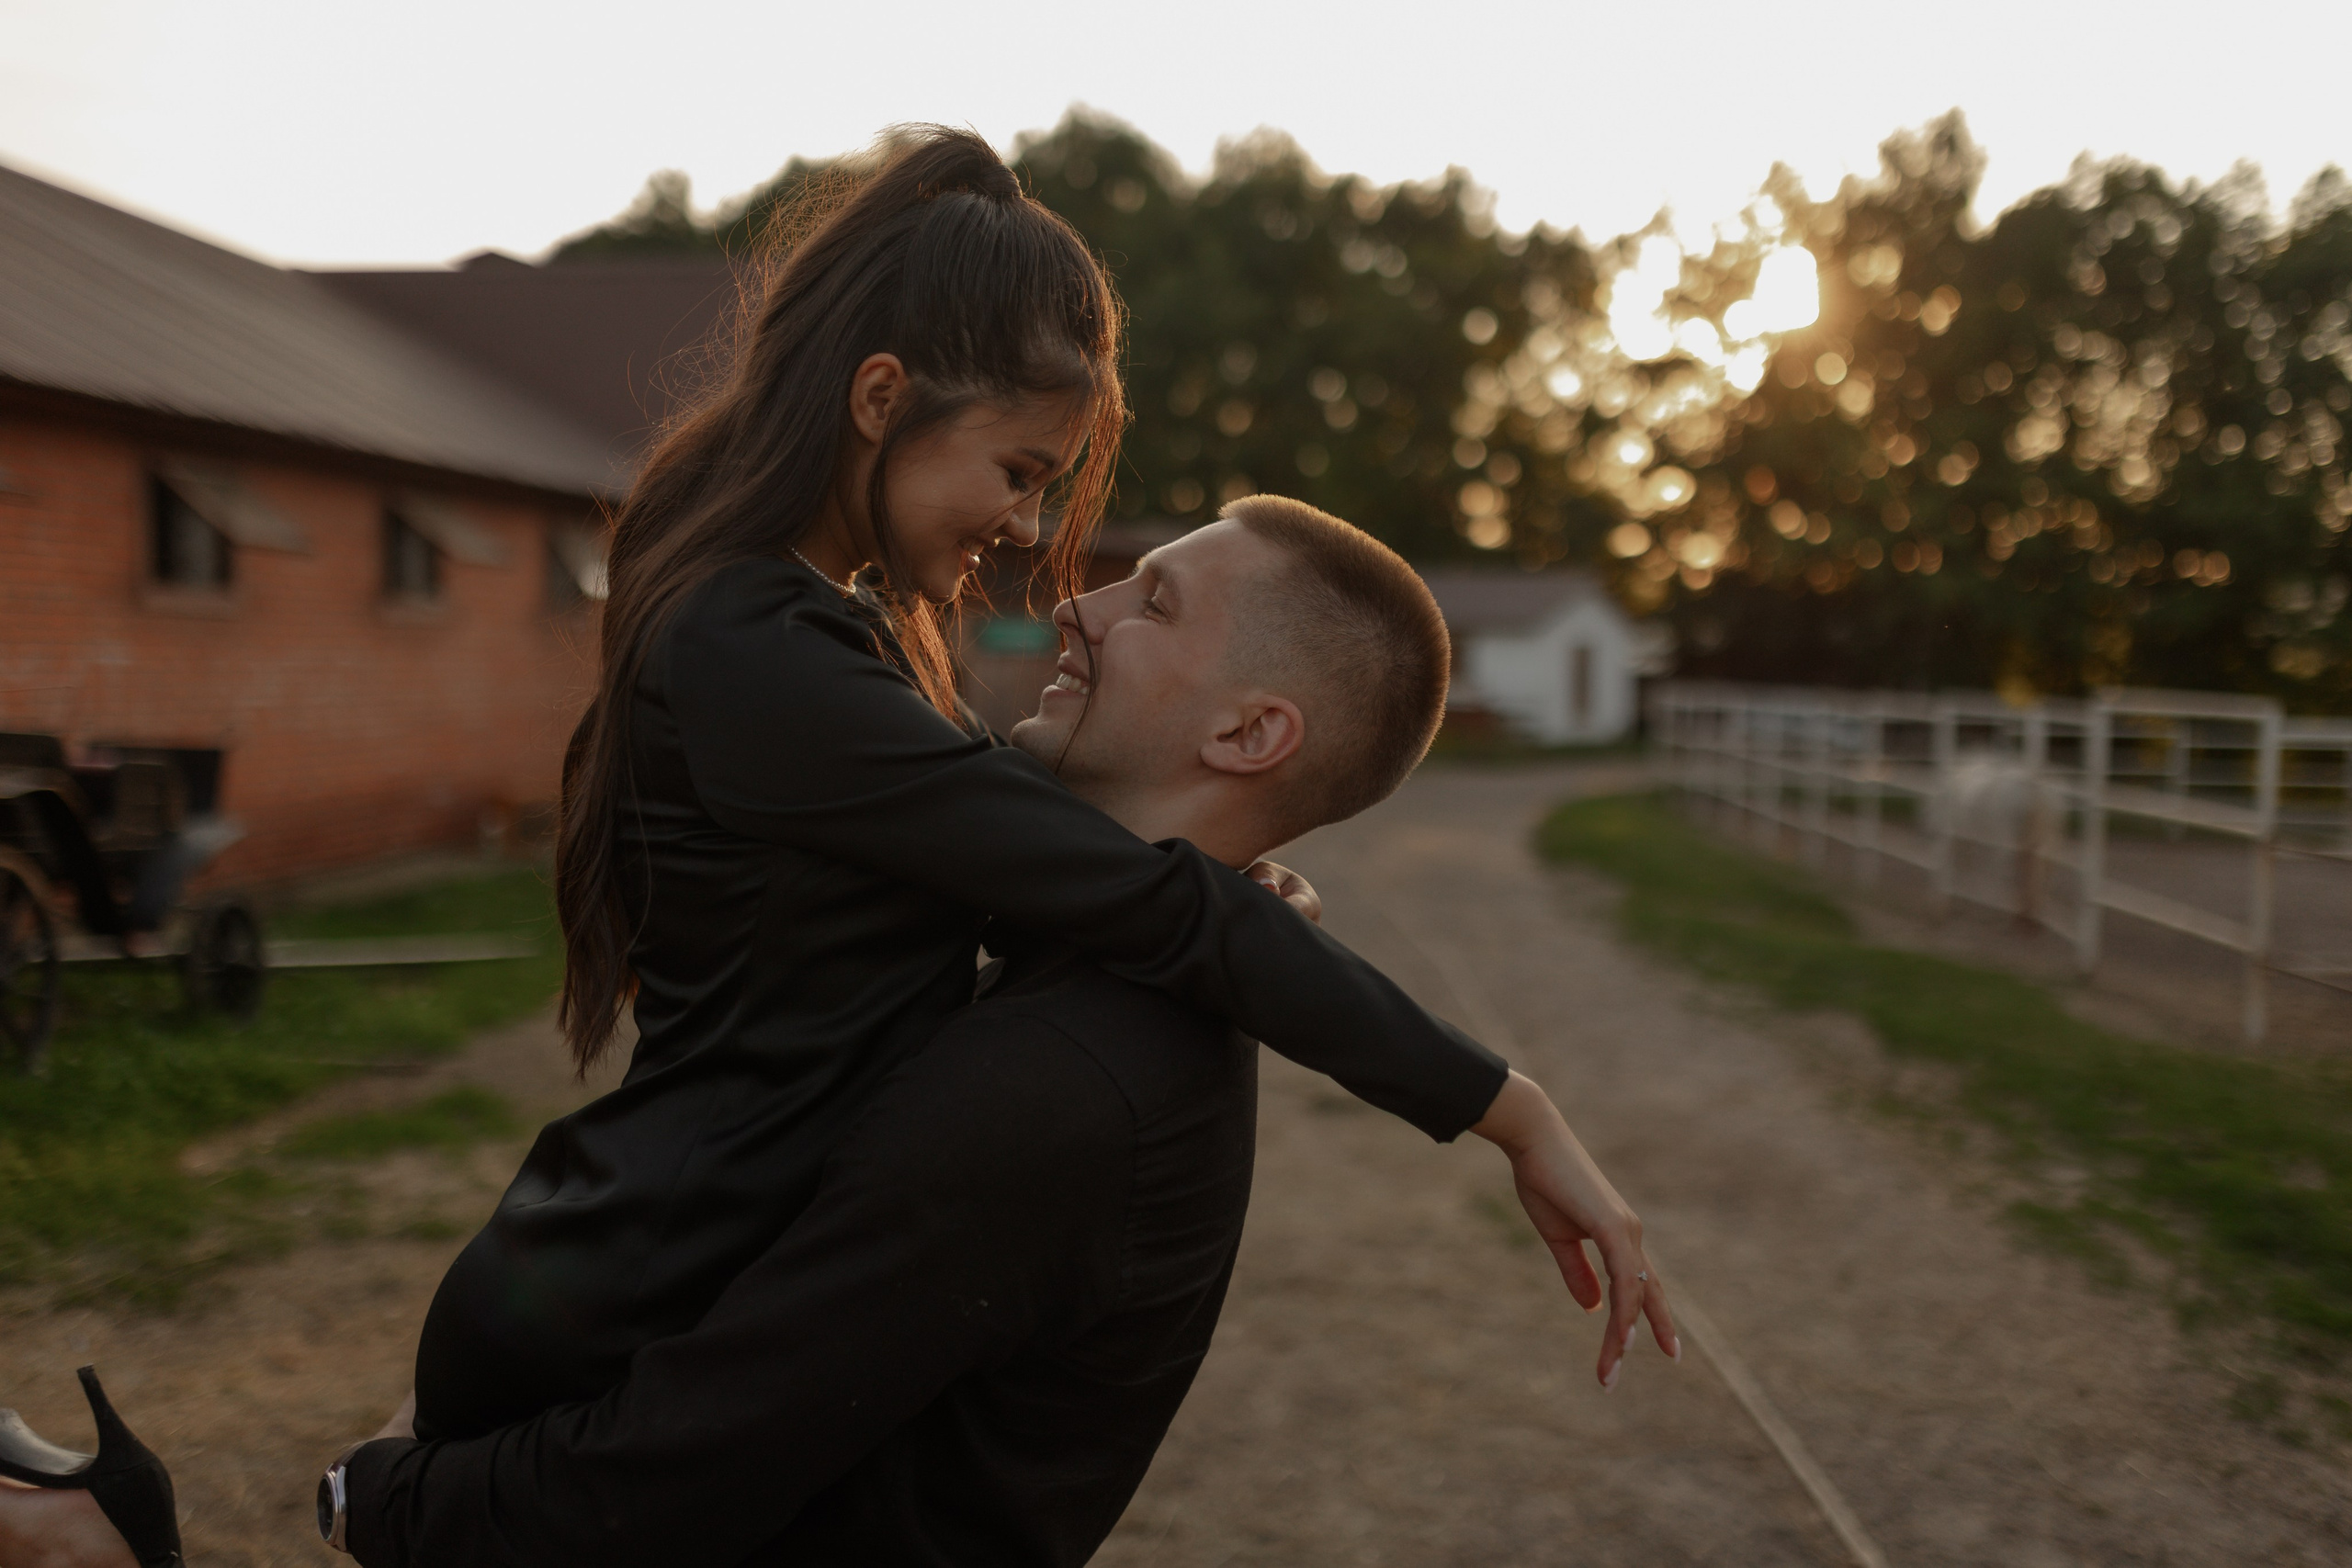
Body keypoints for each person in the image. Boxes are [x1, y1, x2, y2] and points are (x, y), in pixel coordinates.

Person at [0, 127, 1669, 1568]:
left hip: (639, 1261)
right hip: (627, 1277)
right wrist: (1502, 1104)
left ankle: (79, 1520)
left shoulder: (828, 647)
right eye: (1021, 473)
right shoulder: (767, 655)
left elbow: (1110, 900)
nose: (1041, 548)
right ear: (881, 402)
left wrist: (1239, 901)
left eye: (1075, 516)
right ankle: (76, 1526)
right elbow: (1122, 892)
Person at [332, 499, 1678, 1566]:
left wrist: (379, 1496)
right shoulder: (1090, 973)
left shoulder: (1058, 1086)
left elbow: (675, 1475)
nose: (1075, 604)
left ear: (1254, 730)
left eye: (1151, 600)